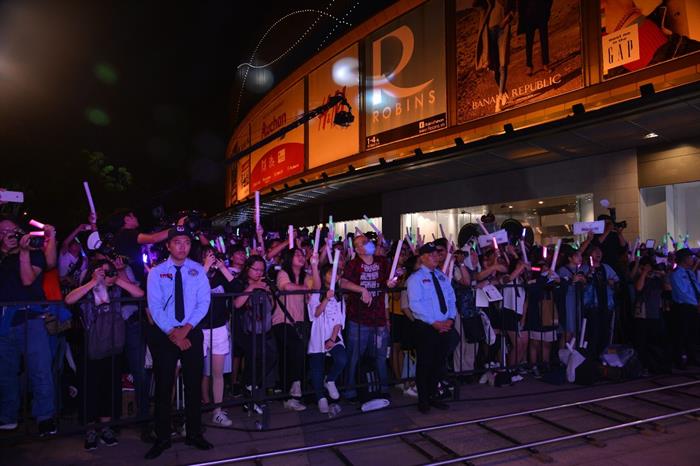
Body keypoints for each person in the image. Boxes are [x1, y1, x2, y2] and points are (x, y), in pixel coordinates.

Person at [144, 225, 212, 460]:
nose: (183, 247)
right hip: (165, 335)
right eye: (177, 242)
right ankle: (162, 437)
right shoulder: (156, 272)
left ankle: (194, 433)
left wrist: (186, 329)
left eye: (187, 242)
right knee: (164, 386)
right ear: (168, 245)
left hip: (191, 331)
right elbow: (154, 306)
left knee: (193, 385)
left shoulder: (198, 271)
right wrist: (173, 332)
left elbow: (204, 302)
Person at [65, 259, 144, 450]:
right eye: (103, 271)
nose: (106, 275)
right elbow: (69, 299)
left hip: (113, 346)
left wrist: (116, 279)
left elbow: (139, 293)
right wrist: (94, 282)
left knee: (109, 388)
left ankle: (106, 428)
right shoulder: (88, 288)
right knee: (91, 389)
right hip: (91, 347)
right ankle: (91, 430)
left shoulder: (115, 290)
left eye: (109, 271)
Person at [0, 216, 56, 435]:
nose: (8, 234)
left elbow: (27, 280)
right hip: (4, 321)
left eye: (11, 230)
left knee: (40, 369)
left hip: (30, 317)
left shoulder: (34, 252)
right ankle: (8, 415)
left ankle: (45, 417)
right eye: (2, 231)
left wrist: (23, 252)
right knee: (5, 372)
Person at [340, 234, 394, 400]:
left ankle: (382, 388)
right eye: (363, 242)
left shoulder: (382, 262)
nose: (368, 243)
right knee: (354, 356)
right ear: (357, 249)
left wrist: (392, 282)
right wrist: (362, 289)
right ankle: (350, 391)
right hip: (358, 319)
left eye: (368, 241)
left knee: (380, 356)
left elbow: (390, 281)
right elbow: (342, 282)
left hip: (378, 318)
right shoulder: (353, 264)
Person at [407, 242, 457, 413]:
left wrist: (450, 318)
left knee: (439, 363)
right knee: (425, 363)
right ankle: (423, 400)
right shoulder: (415, 279)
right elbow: (415, 305)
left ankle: (433, 395)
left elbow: (451, 298)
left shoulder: (441, 276)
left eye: (436, 254)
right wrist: (434, 323)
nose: (436, 257)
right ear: (422, 258)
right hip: (427, 327)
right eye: (431, 255)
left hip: (444, 325)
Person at [274, 247, 318, 411]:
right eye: (297, 255)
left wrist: (314, 266)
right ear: (289, 258)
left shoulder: (306, 276)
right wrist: (306, 288)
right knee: (296, 349)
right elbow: (286, 286)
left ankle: (289, 395)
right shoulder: (283, 273)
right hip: (282, 320)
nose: (301, 257)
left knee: (291, 357)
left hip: (298, 322)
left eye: (302, 255)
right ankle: (295, 384)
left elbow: (317, 287)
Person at [232, 255, 277, 414]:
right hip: (246, 330)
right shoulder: (240, 283)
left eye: (262, 270)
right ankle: (249, 394)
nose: (259, 273)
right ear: (247, 268)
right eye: (255, 269)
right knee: (255, 359)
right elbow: (237, 304)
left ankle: (250, 389)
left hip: (263, 329)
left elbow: (272, 306)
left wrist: (268, 292)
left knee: (269, 357)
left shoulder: (265, 284)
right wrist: (252, 287)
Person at [199, 247, 235, 427]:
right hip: (199, 329)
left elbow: (237, 288)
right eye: (208, 256)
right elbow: (191, 289)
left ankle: (217, 411)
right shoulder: (195, 273)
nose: (212, 258)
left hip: (219, 327)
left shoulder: (220, 276)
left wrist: (222, 268)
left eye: (213, 255)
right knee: (194, 371)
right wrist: (204, 268)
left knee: (218, 373)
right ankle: (191, 414)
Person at [307, 263, 347, 413]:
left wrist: (332, 338)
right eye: (331, 273)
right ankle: (320, 398)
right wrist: (326, 299)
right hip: (318, 334)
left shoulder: (339, 295)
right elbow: (315, 314)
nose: (334, 276)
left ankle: (330, 380)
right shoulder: (317, 293)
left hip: (333, 334)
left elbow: (340, 319)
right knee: (317, 367)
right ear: (324, 275)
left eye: (337, 274)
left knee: (342, 359)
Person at [633, 256, 671, 374]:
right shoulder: (639, 277)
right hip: (642, 314)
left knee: (656, 342)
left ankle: (657, 365)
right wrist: (644, 273)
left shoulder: (657, 279)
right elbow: (638, 288)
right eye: (647, 266)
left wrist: (663, 276)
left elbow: (668, 288)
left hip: (655, 313)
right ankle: (644, 366)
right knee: (642, 342)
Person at [581, 246, 619, 357]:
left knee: (605, 331)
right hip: (591, 306)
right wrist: (589, 274)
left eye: (600, 251)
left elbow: (617, 281)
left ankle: (603, 355)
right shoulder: (585, 268)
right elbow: (582, 285)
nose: (598, 253)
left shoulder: (606, 267)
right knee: (593, 332)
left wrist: (613, 283)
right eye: (595, 251)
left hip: (606, 304)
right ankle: (592, 357)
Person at [669, 248, 700, 369]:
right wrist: (696, 303)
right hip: (683, 307)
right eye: (690, 257)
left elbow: (696, 288)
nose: (692, 259)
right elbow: (683, 293)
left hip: (693, 307)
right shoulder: (676, 274)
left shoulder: (690, 273)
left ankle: (692, 357)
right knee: (681, 334)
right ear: (684, 259)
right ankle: (678, 359)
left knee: (693, 333)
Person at [518, 0, 552, 76]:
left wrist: (547, 10)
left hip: (542, 13)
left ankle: (545, 63)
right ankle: (529, 66)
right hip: (529, 16)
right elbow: (521, 3)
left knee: (544, 40)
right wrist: (523, 16)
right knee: (529, 42)